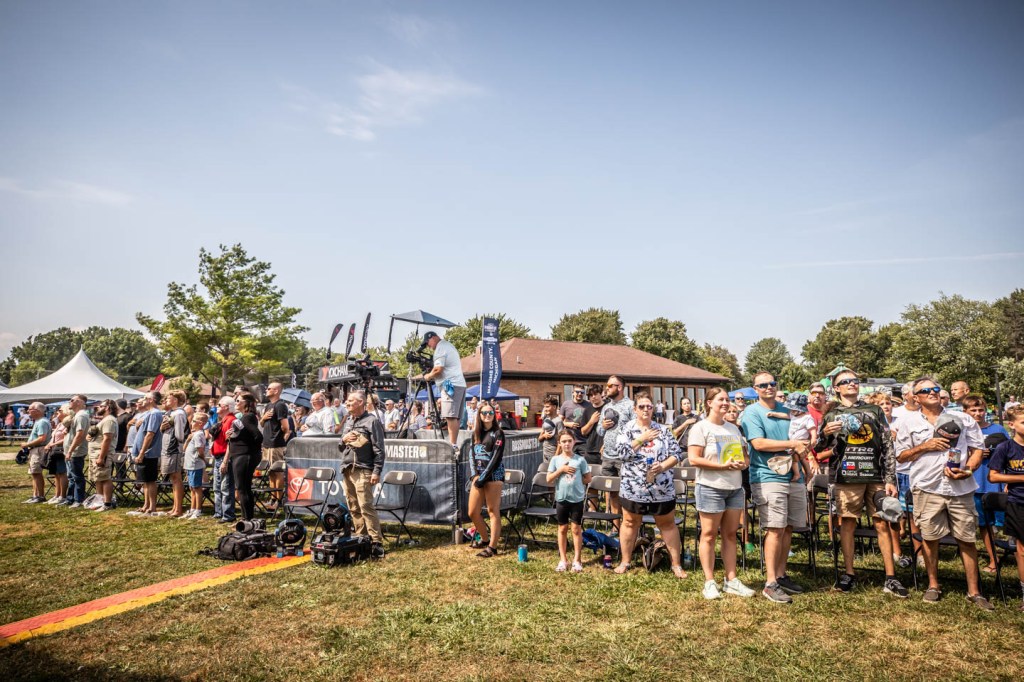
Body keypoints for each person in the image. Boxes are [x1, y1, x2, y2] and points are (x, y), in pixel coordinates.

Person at [894, 377, 993, 609]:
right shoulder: (908, 422)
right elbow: (900, 456)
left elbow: (978, 449)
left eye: (935, 389)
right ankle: (933, 585)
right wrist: (925, 446)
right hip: (927, 487)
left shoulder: (963, 418)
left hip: (960, 488)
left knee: (967, 539)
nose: (932, 392)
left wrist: (969, 470)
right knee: (930, 538)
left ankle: (974, 591)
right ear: (915, 398)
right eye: (925, 390)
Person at [816, 370, 908, 598]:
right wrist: (825, 434)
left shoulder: (874, 410)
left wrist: (890, 478)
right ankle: (849, 573)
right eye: (845, 382)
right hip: (847, 477)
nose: (851, 384)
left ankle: (890, 577)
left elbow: (887, 445)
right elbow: (818, 448)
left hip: (875, 476)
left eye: (854, 381)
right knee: (847, 523)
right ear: (836, 388)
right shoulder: (832, 413)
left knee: (882, 523)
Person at [740, 372, 810, 604]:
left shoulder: (787, 409)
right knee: (775, 528)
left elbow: (802, 433)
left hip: (793, 476)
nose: (768, 387)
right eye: (763, 385)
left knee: (788, 527)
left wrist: (804, 446)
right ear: (755, 389)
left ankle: (781, 575)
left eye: (772, 383)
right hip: (768, 476)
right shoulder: (752, 412)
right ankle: (770, 583)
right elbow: (758, 443)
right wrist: (793, 444)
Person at [688, 387, 755, 599]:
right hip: (710, 487)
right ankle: (709, 582)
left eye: (727, 399)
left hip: (734, 488)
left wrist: (742, 464)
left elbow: (745, 458)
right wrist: (721, 466)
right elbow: (693, 459)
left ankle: (731, 580)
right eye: (721, 399)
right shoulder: (700, 428)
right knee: (708, 535)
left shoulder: (734, 429)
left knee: (730, 534)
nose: (725, 403)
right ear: (709, 403)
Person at [613, 392, 686, 578]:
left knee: (667, 524)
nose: (646, 409)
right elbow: (621, 454)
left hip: (661, 488)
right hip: (633, 487)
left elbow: (676, 454)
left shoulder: (663, 430)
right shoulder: (626, 429)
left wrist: (662, 466)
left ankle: (676, 564)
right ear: (634, 409)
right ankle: (625, 561)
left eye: (649, 406)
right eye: (641, 406)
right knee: (630, 523)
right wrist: (642, 439)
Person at [963, 395, 1009, 574]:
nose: (977, 413)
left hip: (997, 483)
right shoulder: (963, 432)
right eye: (973, 410)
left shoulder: (998, 429)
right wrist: (974, 454)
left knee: (1009, 522)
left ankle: (1016, 552)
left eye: (980, 410)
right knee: (985, 524)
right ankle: (993, 558)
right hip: (975, 483)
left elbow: (1011, 455)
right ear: (965, 412)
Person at [987, 405, 1024, 611]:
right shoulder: (1006, 448)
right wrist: (1019, 478)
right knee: (1022, 550)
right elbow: (992, 476)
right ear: (1012, 425)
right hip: (1018, 502)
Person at [340, 391, 386, 555]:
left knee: (366, 506)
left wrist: (376, 471)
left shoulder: (372, 421)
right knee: (353, 507)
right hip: (347, 468)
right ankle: (361, 539)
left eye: (350, 400)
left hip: (364, 468)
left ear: (361, 402)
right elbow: (340, 447)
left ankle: (376, 542)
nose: (347, 403)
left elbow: (379, 449)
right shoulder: (348, 421)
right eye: (347, 401)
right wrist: (344, 439)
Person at [413, 331, 467, 450]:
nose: (428, 346)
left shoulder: (440, 348)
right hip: (459, 384)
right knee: (456, 416)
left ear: (433, 338)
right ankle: (454, 443)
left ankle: (452, 445)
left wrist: (428, 376)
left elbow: (438, 369)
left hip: (450, 384)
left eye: (428, 343)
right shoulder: (448, 345)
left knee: (450, 416)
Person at [547, 431, 592, 572]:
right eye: (564, 441)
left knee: (576, 529)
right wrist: (561, 470)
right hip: (562, 498)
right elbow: (549, 479)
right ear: (559, 443)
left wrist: (577, 483)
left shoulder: (580, 460)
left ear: (574, 442)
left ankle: (577, 560)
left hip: (576, 499)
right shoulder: (555, 460)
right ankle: (563, 560)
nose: (567, 444)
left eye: (569, 441)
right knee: (562, 528)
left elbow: (588, 478)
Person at [467, 403, 505, 558]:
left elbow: (496, 458)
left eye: (490, 412)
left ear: (494, 415)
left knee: (492, 510)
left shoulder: (498, 433)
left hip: (494, 477)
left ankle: (492, 547)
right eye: (484, 413)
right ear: (479, 415)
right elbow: (471, 455)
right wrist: (474, 475)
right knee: (472, 512)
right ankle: (484, 539)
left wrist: (483, 478)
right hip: (478, 477)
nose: (487, 415)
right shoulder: (475, 433)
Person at [596, 375, 634, 525]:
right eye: (607, 385)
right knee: (612, 493)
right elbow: (599, 431)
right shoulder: (606, 407)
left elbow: (636, 430)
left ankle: (628, 526)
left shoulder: (631, 406)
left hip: (624, 457)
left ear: (620, 387)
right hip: (607, 456)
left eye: (610, 385)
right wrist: (603, 426)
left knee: (626, 492)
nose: (607, 388)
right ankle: (615, 527)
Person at [225, 394, 262, 521]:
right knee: (243, 488)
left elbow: (258, 436)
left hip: (244, 455)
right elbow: (244, 435)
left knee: (243, 488)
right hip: (240, 455)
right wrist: (232, 435)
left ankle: (247, 520)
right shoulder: (244, 417)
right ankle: (246, 519)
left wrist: (251, 450)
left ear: (246, 403)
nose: (236, 402)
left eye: (238, 400)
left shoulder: (248, 417)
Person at [128, 392, 163, 516]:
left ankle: (152, 507)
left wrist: (142, 453)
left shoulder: (155, 413)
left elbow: (150, 434)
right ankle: (146, 505)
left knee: (150, 480)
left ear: (151, 400)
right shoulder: (148, 413)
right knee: (145, 481)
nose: (142, 400)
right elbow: (142, 431)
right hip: (142, 452)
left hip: (149, 452)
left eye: (145, 398)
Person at [260, 382, 290, 510]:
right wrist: (264, 418)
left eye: (269, 388)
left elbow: (286, 427)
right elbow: (261, 424)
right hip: (266, 443)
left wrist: (280, 438)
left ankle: (279, 500)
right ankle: (273, 499)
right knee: (270, 472)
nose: (266, 390)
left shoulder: (280, 405)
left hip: (276, 444)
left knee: (277, 472)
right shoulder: (268, 405)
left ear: (276, 391)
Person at [159, 390, 189, 517]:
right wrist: (162, 428)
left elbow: (180, 435)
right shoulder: (171, 413)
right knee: (173, 479)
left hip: (174, 449)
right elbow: (164, 429)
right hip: (167, 448)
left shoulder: (179, 414)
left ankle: (178, 509)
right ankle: (174, 507)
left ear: (175, 400)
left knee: (177, 479)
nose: (166, 400)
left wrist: (176, 442)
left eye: (168, 398)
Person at [87, 400, 119, 512]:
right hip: (96, 453)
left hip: (102, 453)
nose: (98, 408)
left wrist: (101, 457)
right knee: (98, 478)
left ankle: (107, 503)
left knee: (105, 478)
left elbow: (107, 439)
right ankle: (99, 502)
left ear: (108, 407)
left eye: (101, 406)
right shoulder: (105, 420)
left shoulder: (109, 420)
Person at [210, 396, 236, 524]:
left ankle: (228, 514)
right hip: (218, 457)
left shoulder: (231, 420)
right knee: (217, 487)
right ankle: (219, 512)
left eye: (219, 405)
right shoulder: (224, 420)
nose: (217, 407)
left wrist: (226, 461)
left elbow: (231, 443)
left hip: (225, 457)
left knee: (225, 487)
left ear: (226, 407)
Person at [63, 394, 91, 508]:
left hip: (76, 451)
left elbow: (80, 435)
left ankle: (78, 499)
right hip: (71, 451)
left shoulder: (81, 416)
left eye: (72, 400)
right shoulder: (76, 415)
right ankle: (70, 498)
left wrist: (70, 451)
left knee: (77, 476)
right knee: (71, 476)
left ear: (79, 402)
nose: (69, 402)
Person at [21, 402, 51, 504]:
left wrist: (27, 444)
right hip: (35, 449)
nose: (28, 411)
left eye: (30, 409)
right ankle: (35, 495)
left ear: (37, 411)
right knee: (34, 473)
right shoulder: (39, 421)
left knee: (37, 473)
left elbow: (42, 438)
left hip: (38, 450)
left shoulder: (42, 422)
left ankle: (40, 496)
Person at [182, 413, 209, 519]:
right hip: (189, 464)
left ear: (200, 423)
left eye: (194, 421)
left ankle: (198, 510)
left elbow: (200, 451)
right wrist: (188, 439)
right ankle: (192, 509)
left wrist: (203, 459)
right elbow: (184, 449)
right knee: (192, 488)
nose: (191, 423)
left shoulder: (199, 435)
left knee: (197, 488)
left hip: (195, 464)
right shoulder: (194, 434)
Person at [560, 386, 597, 456]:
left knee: (584, 461)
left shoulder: (589, 405)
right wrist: (567, 424)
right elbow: (559, 421)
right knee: (569, 461)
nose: (579, 394)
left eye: (582, 392)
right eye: (577, 392)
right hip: (569, 440)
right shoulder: (566, 404)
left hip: (584, 441)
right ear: (573, 393)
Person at [44, 407, 70, 505]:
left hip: (61, 451)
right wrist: (49, 444)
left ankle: (63, 496)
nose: (57, 412)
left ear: (66, 412)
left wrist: (53, 444)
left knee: (62, 473)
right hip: (54, 451)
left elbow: (66, 438)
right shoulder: (59, 424)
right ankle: (57, 495)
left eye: (60, 410)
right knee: (56, 474)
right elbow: (54, 437)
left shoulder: (68, 424)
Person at [537, 397, 563, 464]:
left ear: (554, 407)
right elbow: (539, 439)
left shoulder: (559, 421)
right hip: (545, 453)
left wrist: (556, 456)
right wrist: (544, 436)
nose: (545, 409)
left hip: (554, 453)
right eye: (544, 407)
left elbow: (561, 441)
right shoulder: (546, 420)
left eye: (547, 407)